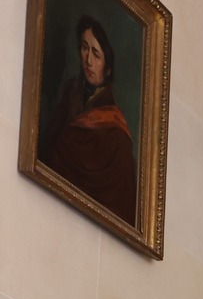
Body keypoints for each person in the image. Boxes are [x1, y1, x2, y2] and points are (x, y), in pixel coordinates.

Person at [38, 15, 136, 223]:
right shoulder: (71, 92)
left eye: (96, 54)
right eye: (84, 48)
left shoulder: (117, 133)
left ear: (108, 67)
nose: (88, 61)